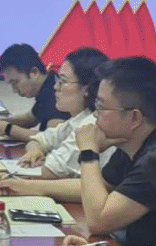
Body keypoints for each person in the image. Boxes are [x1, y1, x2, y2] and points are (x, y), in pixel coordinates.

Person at [0, 56, 156, 246]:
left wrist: (89, 152)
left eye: (101, 107)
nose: (95, 115)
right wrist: (24, 186)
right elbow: (101, 187)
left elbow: (99, 221)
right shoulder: (130, 143)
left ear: (134, 118)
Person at [13, 47, 111, 177]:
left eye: (63, 81)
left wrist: (8, 129)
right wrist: (34, 151)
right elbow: (39, 139)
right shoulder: (77, 119)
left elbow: (50, 171)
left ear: (86, 89)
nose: (56, 87)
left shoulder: (91, 124)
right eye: (58, 80)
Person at [0, 43, 63, 142]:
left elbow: (52, 138)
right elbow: (30, 118)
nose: (14, 90)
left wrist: (6, 128)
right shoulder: (48, 84)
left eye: (15, 82)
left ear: (34, 73)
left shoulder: (58, 92)